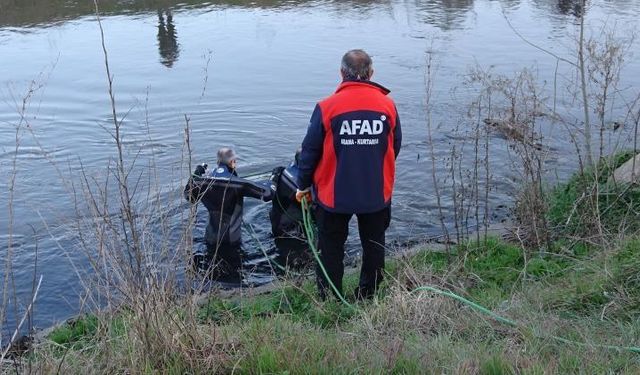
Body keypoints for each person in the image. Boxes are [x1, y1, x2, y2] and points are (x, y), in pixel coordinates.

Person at [296, 49, 402, 300]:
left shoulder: (327, 107)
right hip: (376, 192)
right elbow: (394, 145)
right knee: (374, 245)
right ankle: (368, 294)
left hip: (334, 195)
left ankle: (330, 297)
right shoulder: (387, 105)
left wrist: (303, 185)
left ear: (342, 73)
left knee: (330, 248)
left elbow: (309, 151)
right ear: (371, 74)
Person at [184, 147, 274, 270]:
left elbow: (189, 196)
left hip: (209, 239)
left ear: (218, 162)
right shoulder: (239, 184)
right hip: (231, 241)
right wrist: (274, 178)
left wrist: (197, 173)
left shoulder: (203, 183)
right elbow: (268, 194)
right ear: (232, 162)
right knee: (233, 271)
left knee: (211, 271)